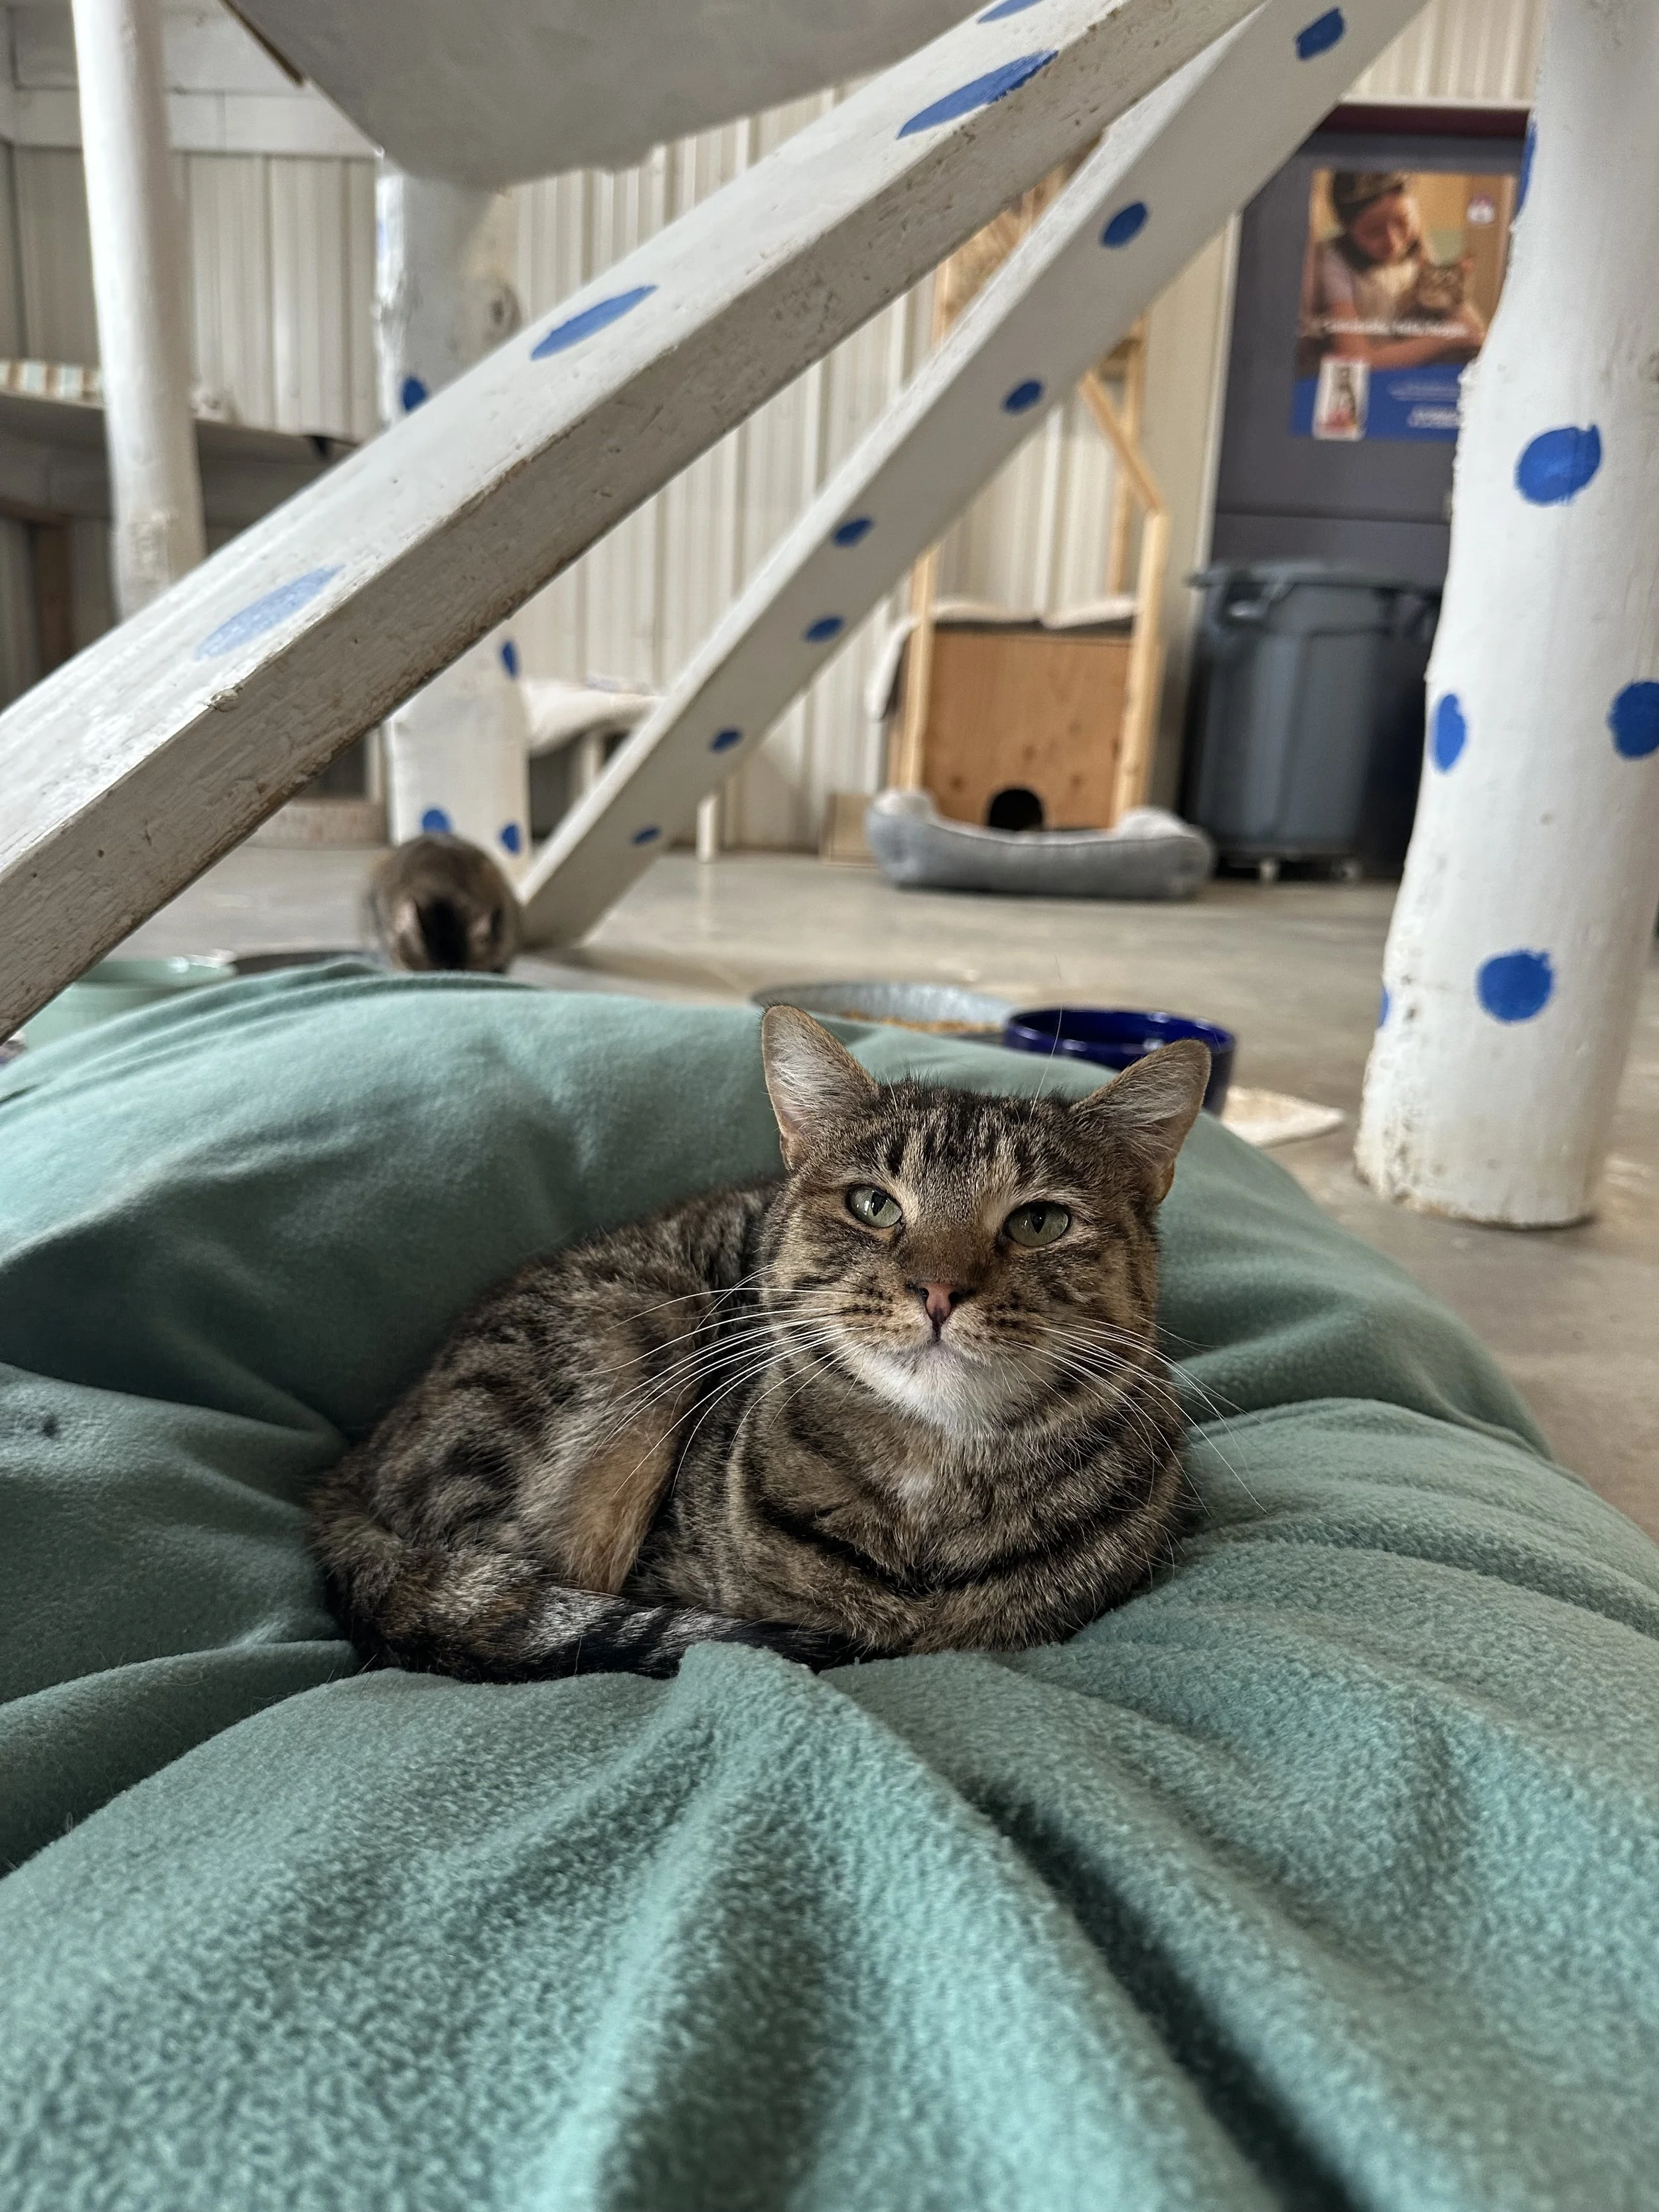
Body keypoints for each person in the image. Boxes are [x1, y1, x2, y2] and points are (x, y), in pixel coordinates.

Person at [1302, 171, 1486, 370]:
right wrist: (1446, 337)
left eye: (1403, 222)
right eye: (1373, 231)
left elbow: (1470, 327)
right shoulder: (1335, 261)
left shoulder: (1418, 248)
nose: (1394, 243)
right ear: (1347, 228)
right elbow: (1353, 357)